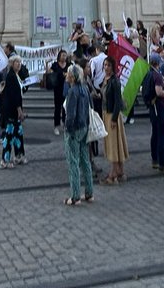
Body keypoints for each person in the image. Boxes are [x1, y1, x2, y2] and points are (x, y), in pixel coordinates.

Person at [62, 63, 93, 205]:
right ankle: (89, 193)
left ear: (72, 77)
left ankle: (75, 196)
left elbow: (70, 114)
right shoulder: (85, 89)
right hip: (84, 127)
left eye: (68, 74)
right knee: (85, 160)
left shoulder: (72, 91)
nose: (66, 76)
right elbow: (89, 108)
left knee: (73, 162)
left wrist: (68, 128)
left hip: (74, 129)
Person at [100, 55, 128, 184]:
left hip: (112, 115)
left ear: (113, 67)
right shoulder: (105, 80)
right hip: (106, 113)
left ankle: (113, 174)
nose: (106, 68)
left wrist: (114, 119)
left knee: (113, 144)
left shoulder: (114, 81)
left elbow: (117, 101)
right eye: (105, 65)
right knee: (114, 143)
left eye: (108, 65)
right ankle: (120, 171)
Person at [0, 55, 25, 168]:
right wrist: (19, 110)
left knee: (18, 133)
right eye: (16, 62)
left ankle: (19, 155)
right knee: (9, 135)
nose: (19, 64)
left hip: (14, 109)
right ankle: (5, 160)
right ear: (11, 64)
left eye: (20, 62)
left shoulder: (16, 75)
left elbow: (19, 92)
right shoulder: (11, 76)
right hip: (11, 110)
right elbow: (14, 96)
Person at [48, 49, 68, 136]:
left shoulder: (69, 65)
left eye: (65, 55)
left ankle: (64, 123)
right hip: (58, 89)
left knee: (65, 107)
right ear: (59, 56)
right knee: (57, 108)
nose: (64, 57)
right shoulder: (55, 65)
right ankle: (56, 125)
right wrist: (46, 64)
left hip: (66, 89)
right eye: (63, 55)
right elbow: (50, 73)